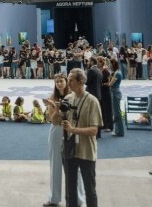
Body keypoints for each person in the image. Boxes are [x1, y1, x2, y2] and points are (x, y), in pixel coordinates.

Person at [58, 68, 101, 207]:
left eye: (71, 80)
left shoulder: (92, 101)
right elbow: (56, 120)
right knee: (70, 189)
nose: (68, 83)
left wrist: (73, 129)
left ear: (81, 81)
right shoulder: (68, 98)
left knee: (90, 190)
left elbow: (94, 130)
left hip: (86, 152)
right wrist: (55, 110)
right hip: (70, 150)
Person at [42, 73, 85, 207]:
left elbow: (75, 115)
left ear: (66, 82)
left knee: (74, 165)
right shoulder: (52, 98)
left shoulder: (73, 96)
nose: (59, 83)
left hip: (71, 130)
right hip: (56, 131)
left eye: (62, 81)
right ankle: (54, 198)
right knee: (55, 164)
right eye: (57, 82)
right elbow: (52, 120)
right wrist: (56, 107)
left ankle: (79, 199)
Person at [84, 58, 102, 137]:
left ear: (91, 62)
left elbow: (87, 82)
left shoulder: (91, 70)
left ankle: (92, 133)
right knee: (97, 115)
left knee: (91, 115)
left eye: (89, 61)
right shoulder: (99, 70)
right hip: (98, 94)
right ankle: (98, 133)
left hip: (91, 94)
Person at [108, 57, 125, 137]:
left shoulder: (117, 73)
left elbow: (110, 84)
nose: (109, 65)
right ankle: (118, 130)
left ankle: (120, 131)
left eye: (110, 64)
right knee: (116, 112)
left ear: (113, 64)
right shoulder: (117, 72)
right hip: (115, 92)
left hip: (115, 93)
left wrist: (110, 77)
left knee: (117, 113)